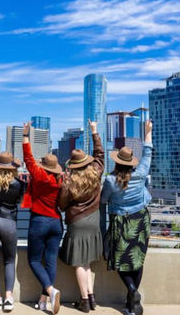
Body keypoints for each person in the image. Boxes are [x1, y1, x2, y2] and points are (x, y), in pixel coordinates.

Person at [101, 120, 153, 315]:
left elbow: (104, 200)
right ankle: (133, 301)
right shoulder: (140, 174)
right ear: (131, 162)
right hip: (140, 220)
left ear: (116, 161)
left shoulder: (110, 180)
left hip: (120, 223)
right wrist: (148, 132)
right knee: (137, 260)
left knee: (119, 261)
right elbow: (148, 153)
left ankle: (131, 291)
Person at [58, 120, 104, 313]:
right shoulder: (96, 172)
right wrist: (94, 132)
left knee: (79, 262)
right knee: (87, 262)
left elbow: (61, 205)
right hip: (94, 220)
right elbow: (100, 155)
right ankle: (92, 298)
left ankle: (84, 300)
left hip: (77, 222)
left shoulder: (69, 183)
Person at [22, 122, 63, 315]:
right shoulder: (60, 180)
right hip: (56, 222)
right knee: (51, 261)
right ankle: (44, 300)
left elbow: (28, 159)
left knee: (34, 260)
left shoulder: (39, 176)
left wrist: (25, 136)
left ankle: (50, 290)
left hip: (39, 221)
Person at [0, 130, 26, 311]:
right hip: (9, 223)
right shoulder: (20, 185)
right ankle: (9, 298)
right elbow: (20, 202)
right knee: (9, 261)